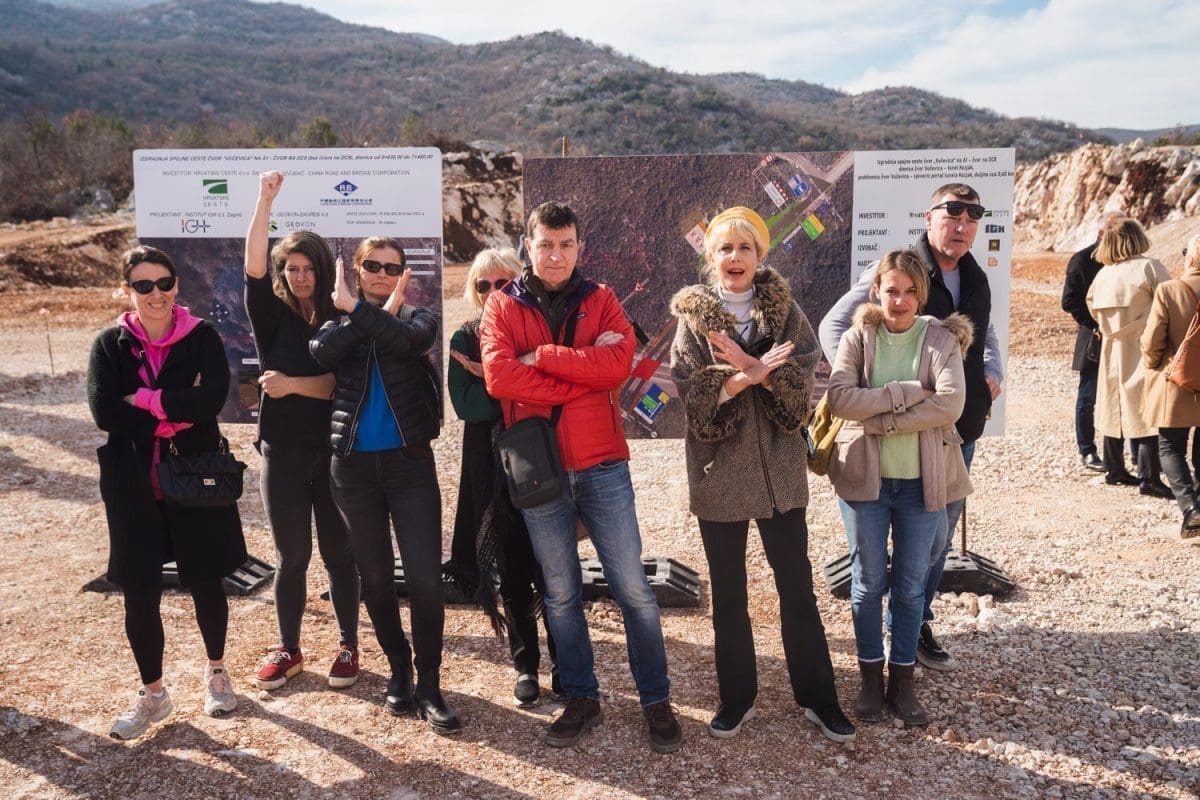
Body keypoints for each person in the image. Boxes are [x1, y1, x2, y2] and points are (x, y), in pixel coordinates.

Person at [480, 201, 681, 754]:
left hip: (602, 464)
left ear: (579, 248)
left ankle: (656, 700)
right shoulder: (502, 305)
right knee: (561, 593)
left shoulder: (602, 298)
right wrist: (580, 376)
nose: (555, 255)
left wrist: (543, 356)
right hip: (540, 472)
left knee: (633, 589)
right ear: (528, 246)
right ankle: (582, 698)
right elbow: (499, 377)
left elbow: (617, 368)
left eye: (565, 245)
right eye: (545, 244)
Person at [669, 207, 855, 743]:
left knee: (797, 587)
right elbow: (693, 396)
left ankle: (819, 699)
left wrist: (752, 370)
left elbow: (802, 386)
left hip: (779, 469)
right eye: (725, 248)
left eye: (745, 248)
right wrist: (748, 376)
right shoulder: (694, 320)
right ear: (711, 258)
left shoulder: (784, 312)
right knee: (729, 593)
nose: (735, 257)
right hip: (719, 471)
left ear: (760, 256)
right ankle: (736, 699)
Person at [818, 183, 1001, 673]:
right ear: (929, 217)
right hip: (889, 442)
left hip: (954, 432)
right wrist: (865, 379)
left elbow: (984, 329)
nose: (962, 224)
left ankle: (914, 624)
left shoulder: (974, 277)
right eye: (952, 213)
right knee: (879, 564)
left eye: (972, 215)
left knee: (934, 545)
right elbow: (836, 325)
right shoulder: (901, 268)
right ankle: (896, 639)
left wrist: (992, 370)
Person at [88, 245, 248, 739]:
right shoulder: (109, 345)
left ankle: (217, 671)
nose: (155, 293)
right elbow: (104, 411)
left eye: (163, 283)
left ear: (176, 284)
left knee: (206, 580)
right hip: (134, 485)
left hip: (195, 477)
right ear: (126, 290)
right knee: (139, 591)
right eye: (143, 285)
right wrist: (169, 419)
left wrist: (145, 400)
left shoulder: (202, 336)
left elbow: (210, 400)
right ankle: (153, 693)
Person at [309, 237, 460, 734]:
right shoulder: (338, 325)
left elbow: (408, 343)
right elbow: (322, 353)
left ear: (403, 276)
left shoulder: (419, 319)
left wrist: (356, 310)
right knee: (374, 578)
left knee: (425, 579)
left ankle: (430, 682)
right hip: (353, 471)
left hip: (408, 466)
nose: (382, 274)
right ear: (357, 270)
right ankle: (399, 668)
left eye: (392, 268)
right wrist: (357, 315)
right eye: (372, 265)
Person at [826, 249, 972, 727]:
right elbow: (840, 399)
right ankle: (870, 678)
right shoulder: (858, 337)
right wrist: (906, 393)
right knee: (868, 583)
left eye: (910, 291)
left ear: (921, 294)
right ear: (877, 291)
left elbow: (949, 404)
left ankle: (902, 681)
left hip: (921, 484)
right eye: (892, 290)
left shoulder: (940, 339)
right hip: (864, 483)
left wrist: (882, 420)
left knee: (910, 587)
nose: (900, 300)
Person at [243, 172, 361, 691]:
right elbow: (252, 267)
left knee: (340, 556)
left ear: (322, 270)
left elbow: (339, 386)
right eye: (291, 268)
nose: (300, 276)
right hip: (283, 454)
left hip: (334, 453)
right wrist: (264, 201)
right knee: (291, 559)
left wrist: (291, 384)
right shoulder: (271, 316)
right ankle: (288, 649)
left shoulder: (341, 318)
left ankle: (349, 646)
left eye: (309, 267)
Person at [445, 246, 559, 706]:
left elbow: (553, 389)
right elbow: (468, 405)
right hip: (491, 467)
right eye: (483, 284)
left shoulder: (538, 329)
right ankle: (525, 665)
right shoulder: (464, 338)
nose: (493, 291)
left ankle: (566, 664)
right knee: (511, 569)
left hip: (543, 459)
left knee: (554, 569)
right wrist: (513, 379)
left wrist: (492, 377)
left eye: (502, 282)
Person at [1086, 217, 1173, 498]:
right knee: (1146, 410)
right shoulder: (1149, 267)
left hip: (1111, 346)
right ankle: (1150, 477)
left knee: (1112, 407)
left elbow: (1091, 306)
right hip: (1143, 346)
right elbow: (1171, 300)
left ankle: (1115, 469)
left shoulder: (1103, 274)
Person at [1141, 233, 1200, 536]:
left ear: (1191, 256)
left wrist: (1153, 364)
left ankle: (1191, 508)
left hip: (1177, 381)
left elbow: (1153, 341)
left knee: (1171, 446)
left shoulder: (1170, 290)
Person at [1062, 211, 1126, 472]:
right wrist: (1097, 324)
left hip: (1123, 337)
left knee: (1123, 396)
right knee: (1088, 396)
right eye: (1117, 229)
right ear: (1102, 232)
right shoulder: (1082, 260)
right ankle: (1087, 450)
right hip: (1094, 337)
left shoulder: (1126, 261)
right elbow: (1069, 301)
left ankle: (1125, 455)